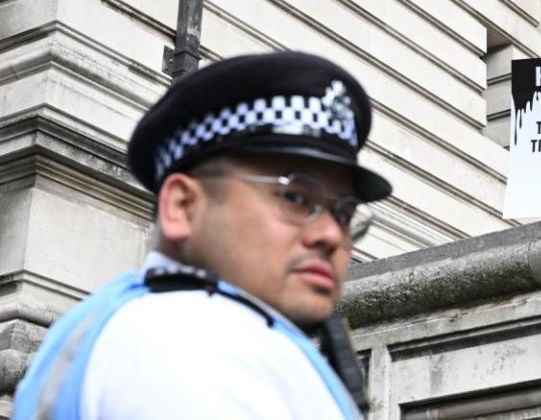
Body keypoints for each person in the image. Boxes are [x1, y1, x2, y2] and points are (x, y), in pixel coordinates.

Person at [13, 51, 391, 419]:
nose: (330, 234)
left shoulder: (156, 327)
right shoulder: (190, 339)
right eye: (294, 196)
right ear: (182, 207)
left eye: (344, 213)